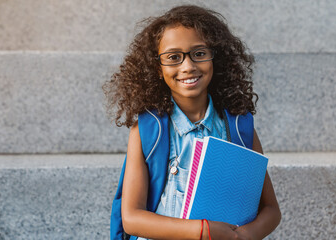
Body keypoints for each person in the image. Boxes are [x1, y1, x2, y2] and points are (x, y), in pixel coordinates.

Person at [103, 5, 281, 240]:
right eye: (173, 57)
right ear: (158, 68)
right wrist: (202, 231)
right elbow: (132, 218)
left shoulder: (239, 128)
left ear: (216, 58)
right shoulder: (148, 130)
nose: (187, 66)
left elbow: (271, 210)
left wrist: (244, 236)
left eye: (199, 53)